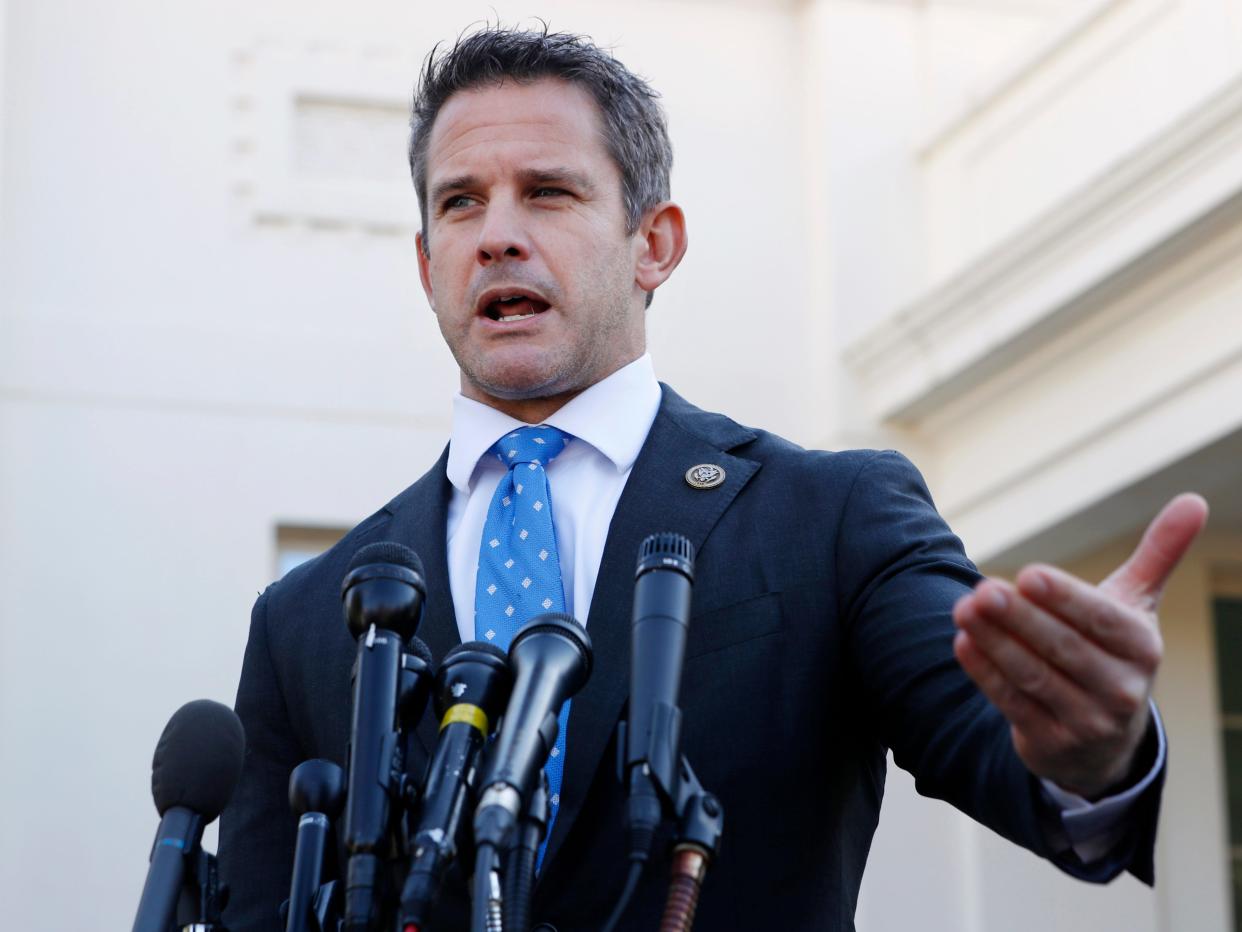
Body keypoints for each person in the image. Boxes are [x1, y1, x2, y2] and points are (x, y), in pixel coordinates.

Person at [218, 25, 1208, 931]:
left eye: (549, 192)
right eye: (460, 202)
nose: (497, 234)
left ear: (655, 244)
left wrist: (1095, 748)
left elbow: (1003, 744)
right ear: (427, 261)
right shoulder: (307, 614)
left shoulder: (829, 516)